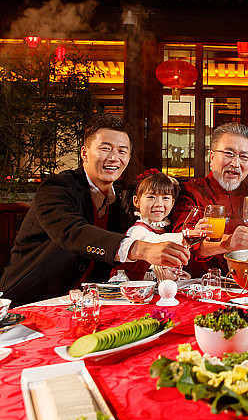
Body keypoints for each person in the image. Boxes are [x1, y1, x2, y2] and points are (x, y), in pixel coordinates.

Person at [0, 114, 190, 306]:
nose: (114, 157)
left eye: (122, 151)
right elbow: (72, 232)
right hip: (32, 301)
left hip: (89, 303)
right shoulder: (57, 187)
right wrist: (141, 248)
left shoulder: (120, 200)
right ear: (84, 153)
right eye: (105, 149)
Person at [171, 122, 248, 277]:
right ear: (212, 156)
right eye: (228, 154)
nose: (235, 163)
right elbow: (184, 239)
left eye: (243, 157)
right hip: (201, 284)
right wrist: (227, 244)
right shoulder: (190, 191)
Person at [112, 168, 187, 281]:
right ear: (136, 201)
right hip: (133, 288)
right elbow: (155, 241)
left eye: (165, 198)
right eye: (151, 197)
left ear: (172, 203)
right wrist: (187, 236)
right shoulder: (137, 230)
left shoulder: (166, 228)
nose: (159, 204)